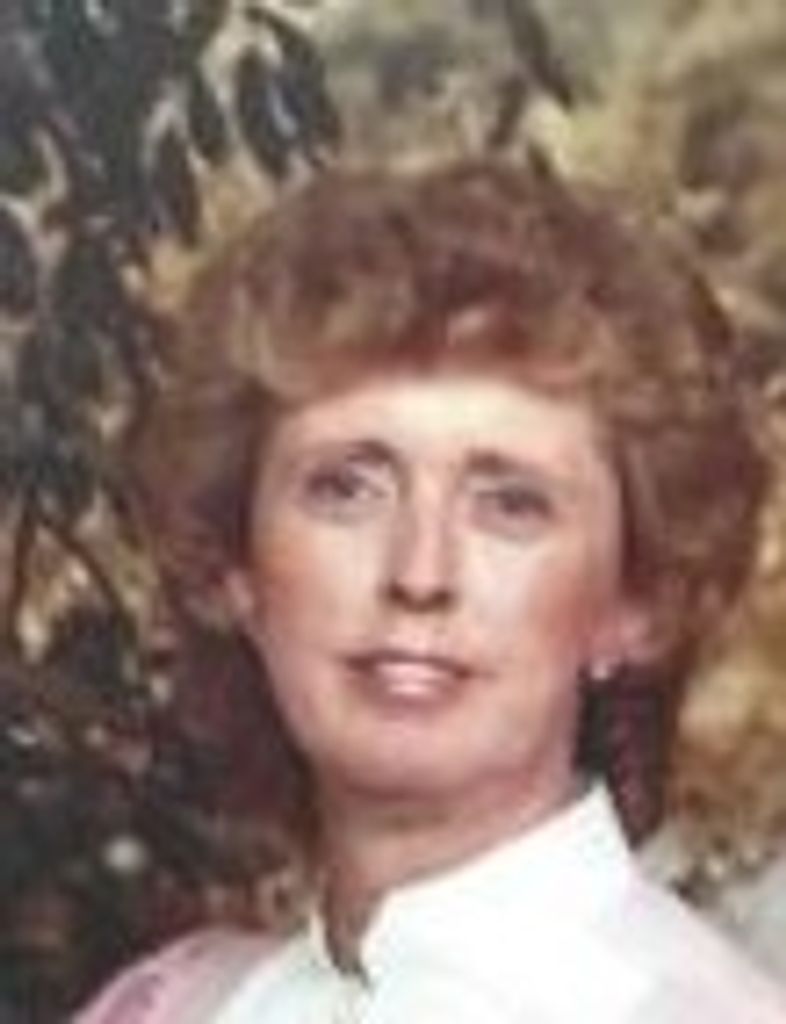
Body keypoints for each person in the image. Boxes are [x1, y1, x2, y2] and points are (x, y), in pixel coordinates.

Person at [77, 157, 786, 1022]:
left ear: (635, 604)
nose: (420, 574)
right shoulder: (171, 1007)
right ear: (236, 569)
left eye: (511, 505)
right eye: (346, 488)